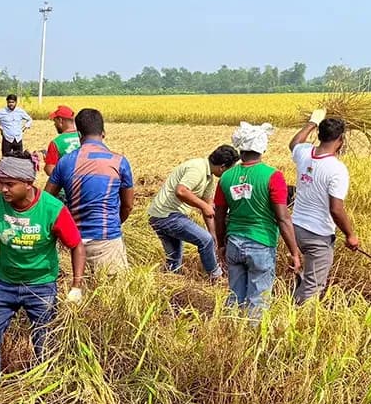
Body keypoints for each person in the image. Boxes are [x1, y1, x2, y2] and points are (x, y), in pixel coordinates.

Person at [0, 153, 86, 381]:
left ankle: (43, 385)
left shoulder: (52, 209)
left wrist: (76, 285)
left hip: (41, 286)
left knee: (44, 342)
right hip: (3, 283)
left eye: (9, 184)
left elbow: (76, 245)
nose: (3, 189)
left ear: (28, 182)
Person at [215, 123, 302, 317]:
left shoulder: (226, 177)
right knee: (258, 301)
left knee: (235, 296)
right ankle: (252, 341)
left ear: (241, 147)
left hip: (234, 243)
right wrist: (294, 252)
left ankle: (229, 332)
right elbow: (283, 217)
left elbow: (219, 215)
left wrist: (221, 244)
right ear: (262, 146)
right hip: (261, 243)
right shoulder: (273, 176)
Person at [44, 109, 134, 274]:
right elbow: (128, 206)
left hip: (74, 242)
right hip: (108, 242)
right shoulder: (119, 162)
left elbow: (46, 200)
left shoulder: (65, 162)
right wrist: (114, 224)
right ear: (104, 133)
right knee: (111, 295)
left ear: (79, 134)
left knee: (78, 292)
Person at [287, 111, 360, 305]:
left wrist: (312, 122)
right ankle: (297, 320)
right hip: (317, 234)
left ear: (319, 135)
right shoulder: (337, 169)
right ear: (341, 140)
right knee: (314, 284)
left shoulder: (305, 153)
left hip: (296, 228)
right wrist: (350, 235)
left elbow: (294, 143)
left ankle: (294, 301)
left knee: (307, 275)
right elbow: (336, 209)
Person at [146, 145, 240, 279]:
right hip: (167, 215)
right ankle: (216, 276)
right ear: (222, 167)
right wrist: (204, 208)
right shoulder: (197, 168)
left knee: (174, 260)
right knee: (204, 240)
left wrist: (214, 236)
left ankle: (169, 285)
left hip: (160, 215)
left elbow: (208, 207)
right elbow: (181, 191)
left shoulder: (209, 178)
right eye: (229, 170)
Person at [43, 105, 80, 176]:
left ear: (60, 120)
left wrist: (46, 165)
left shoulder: (56, 143)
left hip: (66, 185)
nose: (54, 124)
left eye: (55, 121)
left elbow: (50, 170)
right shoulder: (84, 137)